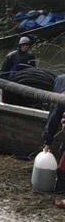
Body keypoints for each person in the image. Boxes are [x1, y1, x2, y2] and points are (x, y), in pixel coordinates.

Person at [41, 74, 65, 207]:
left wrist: (47, 141)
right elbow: (54, 115)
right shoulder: (61, 82)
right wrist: (47, 140)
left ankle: (62, 190)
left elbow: (54, 116)